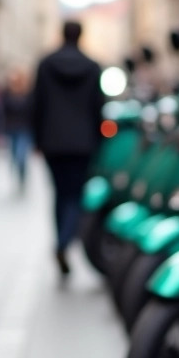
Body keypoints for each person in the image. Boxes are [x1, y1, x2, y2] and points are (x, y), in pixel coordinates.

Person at [32, 20, 104, 277]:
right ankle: (64, 242)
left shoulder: (46, 64)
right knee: (75, 195)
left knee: (59, 193)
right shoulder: (93, 66)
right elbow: (99, 106)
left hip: (52, 140)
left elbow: (37, 104)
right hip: (83, 142)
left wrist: (37, 140)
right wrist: (98, 139)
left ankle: (61, 239)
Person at [1, 69, 33, 192]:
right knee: (14, 155)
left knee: (21, 155)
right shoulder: (7, 93)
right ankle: (18, 176)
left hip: (24, 129)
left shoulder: (28, 94)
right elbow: (3, 111)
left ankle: (22, 176)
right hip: (11, 129)